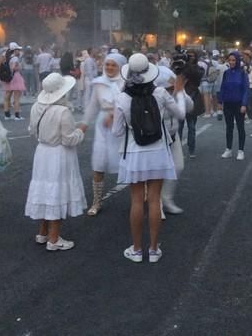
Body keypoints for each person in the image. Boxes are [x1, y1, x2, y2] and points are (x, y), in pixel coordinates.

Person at [114, 53, 187, 263]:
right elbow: (180, 114)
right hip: (158, 152)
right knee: (154, 200)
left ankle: (137, 250)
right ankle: (154, 249)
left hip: (134, 154)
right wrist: (180, 94)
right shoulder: (161, 93)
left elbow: (117, 132)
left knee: (137, 200)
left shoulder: (122, 98)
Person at [24, 73, 87, 250]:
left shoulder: (36, 106)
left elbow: (31, 130)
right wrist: (81, 130)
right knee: (57, 192)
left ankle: (43, 232)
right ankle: (54, 238)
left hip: (42, 152)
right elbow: (69, 139)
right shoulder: (63, 111)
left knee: (45, 190)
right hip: (59, 155)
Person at [82, 52, 127, 216]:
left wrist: (115, 115)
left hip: (123, 126)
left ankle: (142, 195)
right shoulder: (98, 83)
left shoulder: (128, 83)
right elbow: (93, 105)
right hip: (103, 127)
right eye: (107, 64)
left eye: (113, 65)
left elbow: (130, 104)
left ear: (121, 67)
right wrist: (84, 124)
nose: (109, 67)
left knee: (130, 162)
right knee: (98, 163)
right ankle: (96, 201)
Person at [156, 65, 193, 215]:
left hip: (173, 135)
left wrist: (181, 93)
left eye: (174, 84)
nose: (173, 87)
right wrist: (176, 94)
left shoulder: (176, 91)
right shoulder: (156, 95)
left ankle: (167, 198)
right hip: (157, 137)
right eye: (170, 85)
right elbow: (180, 114)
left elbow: (190, 107)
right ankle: (156, 203)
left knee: (178, 167)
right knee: (157, 171)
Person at [218, 51, 249, 160]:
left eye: (233, 60)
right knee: (229, 127)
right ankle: (228, 149)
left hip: (239, 104)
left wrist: (244, 104)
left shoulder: (242, 73)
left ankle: (241, 150)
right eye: (230, 60)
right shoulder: (226, 73)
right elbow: (222, 87)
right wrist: (220, 102)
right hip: (228, 104)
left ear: (237, 61)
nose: (231, 62)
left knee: (240, 127)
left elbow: (246, 89)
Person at [178, 50, 204, 159]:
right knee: (179, 127)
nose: (190, 58)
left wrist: (187, 64)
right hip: (181, 97)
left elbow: (195, 75)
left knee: (192, 127)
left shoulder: (199, 68)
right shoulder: (181, 66)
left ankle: (191, 149)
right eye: (188, 56)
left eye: (192, 56)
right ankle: (177, 150)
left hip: (193, 97)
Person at [1, 42, 26, 120]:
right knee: (16, 98)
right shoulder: (15, 58)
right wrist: (19, 68)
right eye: (18, 49)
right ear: (15, 50)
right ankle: (17, 115)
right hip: (15, 77)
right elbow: (13, 68)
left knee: (7, 97)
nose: (19, 51)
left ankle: (7, 115)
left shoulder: (6, 57)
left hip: (8, 78)